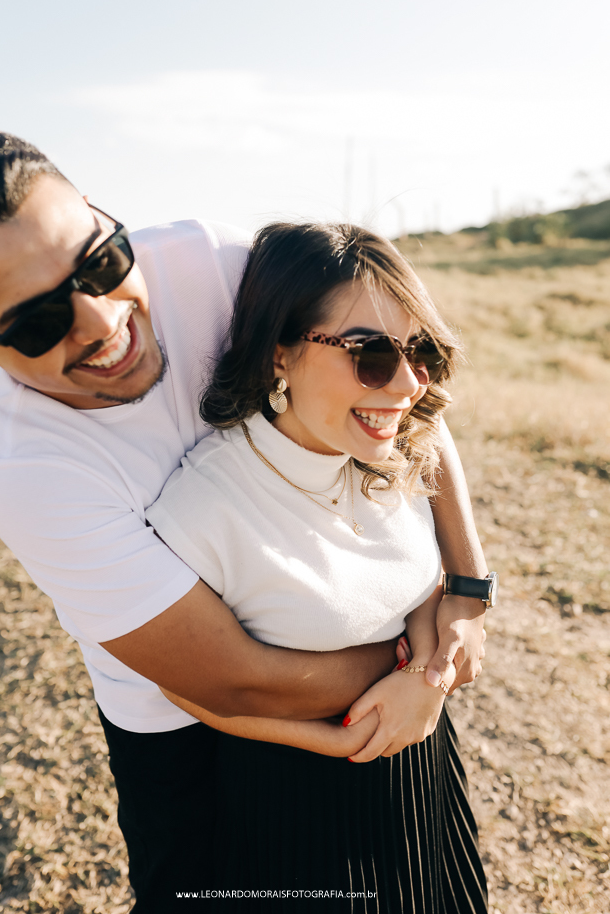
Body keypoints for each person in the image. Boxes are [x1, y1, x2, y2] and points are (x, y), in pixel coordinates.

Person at [0, 129, 490, 911]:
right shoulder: (24, 470)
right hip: (188, 719)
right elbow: (234, 679)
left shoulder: (213, 264)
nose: (99, 321)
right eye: (35, 322)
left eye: (100, 263)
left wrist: (465, 588)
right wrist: (423, 669)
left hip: (363, 662)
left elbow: (397, 385)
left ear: (102, 214)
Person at [146, 221, 489, 911]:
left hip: (422, 775)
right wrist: (340, 741)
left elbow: (415, 586)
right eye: (369, 354)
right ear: (280, 351)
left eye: (420, 354)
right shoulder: (204, 507)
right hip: (295, 810)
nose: (405, 386)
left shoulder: (386, 454)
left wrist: (427, 679)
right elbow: (188, 690)